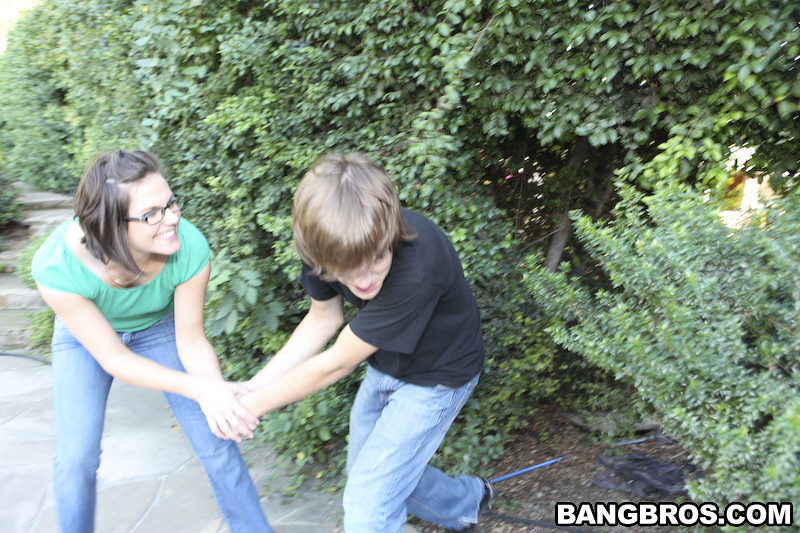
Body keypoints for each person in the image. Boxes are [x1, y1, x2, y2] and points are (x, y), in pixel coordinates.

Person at [238, 153, 498, 532]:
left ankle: (460, 503)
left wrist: (249, 408)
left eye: (376, 259)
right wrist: (251, 388)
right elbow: (322, 319)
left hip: (440, 377)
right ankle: (465, 502)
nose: (363, 281)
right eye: (347, 269)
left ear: (389, 234)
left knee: (368, 501)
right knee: (374, 471)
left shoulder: (419, 264)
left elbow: (337, 362)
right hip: (387, 363)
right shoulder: (328, 243)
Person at [32, 149, 274, 533]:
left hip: (158, 327)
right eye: (151, 214)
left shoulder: (189, 246)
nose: (172, 218)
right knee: (76, 459)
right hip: (87, 339)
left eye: (171, 203)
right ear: (109, 224)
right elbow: (113, 358)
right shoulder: (56, 265)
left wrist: (216, 396)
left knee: (217, 437)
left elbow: (191, 339)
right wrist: (201, 389)